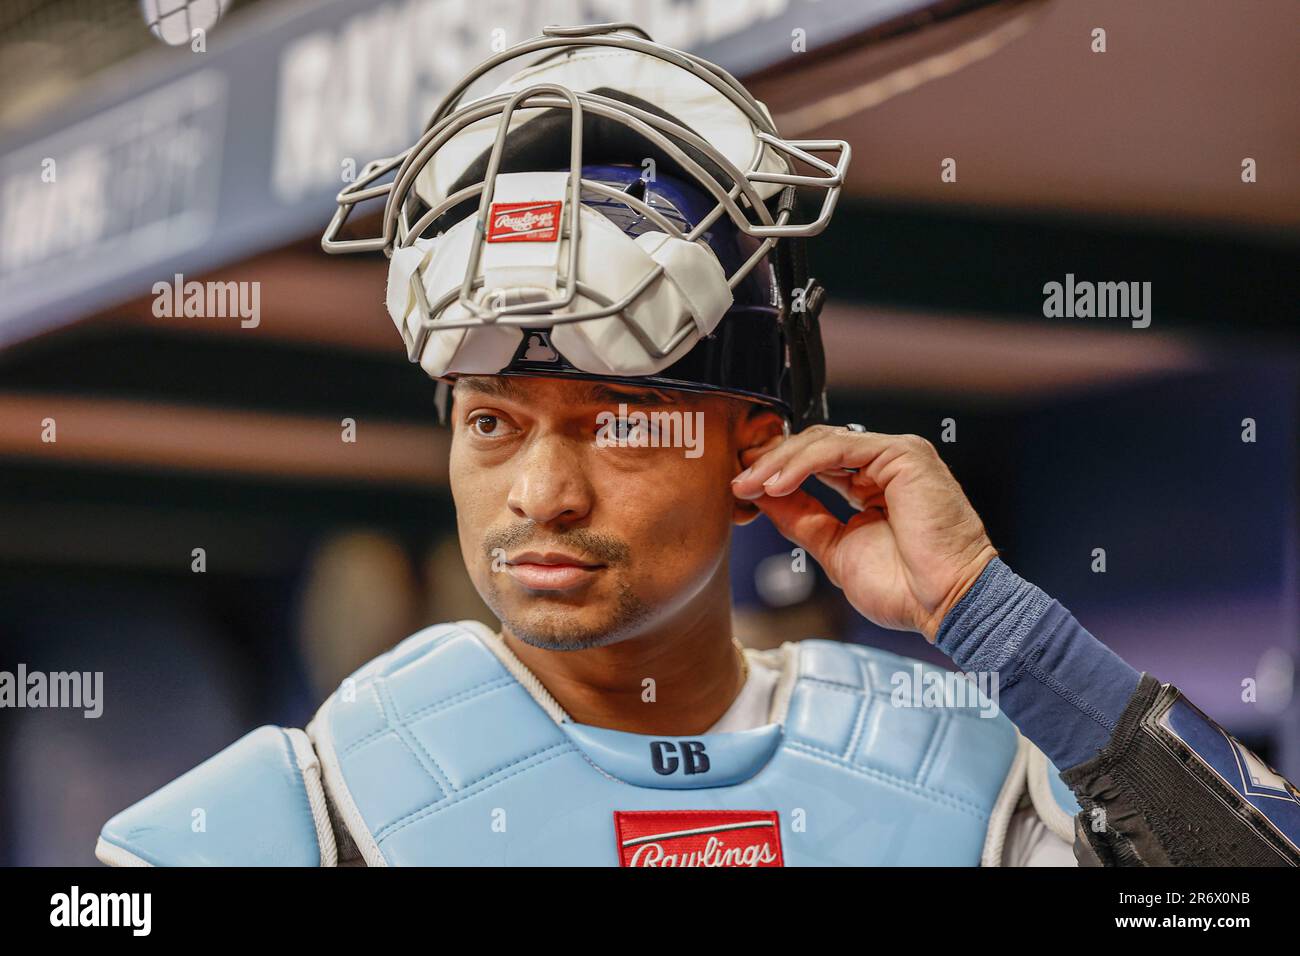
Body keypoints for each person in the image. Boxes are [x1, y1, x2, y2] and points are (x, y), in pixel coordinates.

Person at [96, 23, 1298, 868]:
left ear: (755, 458)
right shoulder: (290, 817)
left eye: (617, 422)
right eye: (491, 422)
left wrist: (995, 620)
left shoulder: (978, 781)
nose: (541, 493)